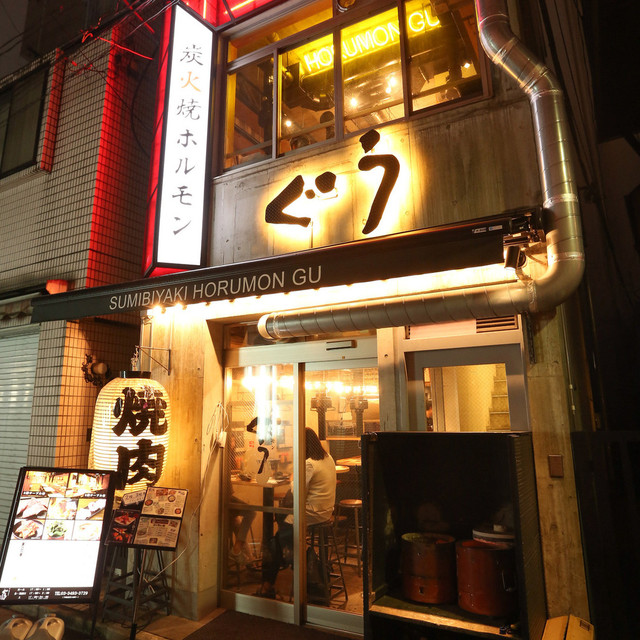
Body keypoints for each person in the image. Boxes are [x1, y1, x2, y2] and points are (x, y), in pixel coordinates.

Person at [255, 428, 336, 598]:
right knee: (279, 536)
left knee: (276, 539)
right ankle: (276, 574)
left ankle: (292, 563)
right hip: (325, 511)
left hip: (312, 513)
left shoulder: (309, 464)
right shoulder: (328, 458)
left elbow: (298, 493)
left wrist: (293, 480)